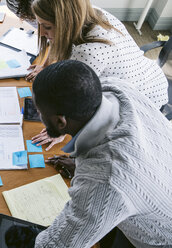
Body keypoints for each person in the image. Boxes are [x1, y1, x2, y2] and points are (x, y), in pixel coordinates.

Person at [31, 60, 172, 247]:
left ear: (60, 122)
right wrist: (82, 165)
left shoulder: (107, 180)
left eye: (40, 112)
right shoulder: (114, 87)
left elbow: (57, 245)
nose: (39, 115)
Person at [30, 0, 168, 151]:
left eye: (47, 27)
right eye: (39, 24)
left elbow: (76, 104)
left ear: (65, 23)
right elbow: (57, 38)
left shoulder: (88, 54)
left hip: (144, 97)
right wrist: (44, 66)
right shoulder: (87, 13)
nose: (41, 33)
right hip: (146, 74)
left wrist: (58, 132)